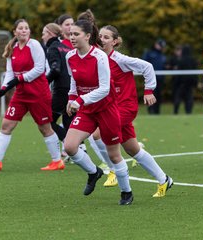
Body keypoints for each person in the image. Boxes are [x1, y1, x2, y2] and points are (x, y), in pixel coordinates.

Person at [94, 25, 173, 197]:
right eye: (100, 36)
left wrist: (149, 90)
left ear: (114, 42)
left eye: (106, 37)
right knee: (133, 149)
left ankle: (113, 170)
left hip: (125, 108)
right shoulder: (97, 59)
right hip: (110, 109)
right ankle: (164, 179)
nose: (101, 39)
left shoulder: (120, 59)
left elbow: (147, 67)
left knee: (97, 133)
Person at [0, 19, 63, 171]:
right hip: (21, 94)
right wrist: (3, 87)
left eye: (26, 28)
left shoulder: (35, 45)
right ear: (15, 32)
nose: (24, 30)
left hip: (38, 93)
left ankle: (57, 161)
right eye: (21, 28)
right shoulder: (12, 48)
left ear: (29, 32)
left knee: (44, 128)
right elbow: (11, 72)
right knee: (6, 125)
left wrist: (20, 79)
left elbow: (39, 69)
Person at [64, 19, 133, 205]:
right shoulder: (69, 56)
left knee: (113, 154)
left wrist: (80, 100)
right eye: (70, 34)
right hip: (87, 110)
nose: (72, 37)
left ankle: (126, 192)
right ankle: (94, 172)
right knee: (69, 147)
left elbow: (104, 89)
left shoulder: (99, 56)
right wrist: (71, 98)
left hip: (106, 110)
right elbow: (73, 81)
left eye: (76, 34)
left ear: (87, 36)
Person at [40, 22, 75, 168]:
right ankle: (75, 151)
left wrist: (43, 83)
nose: (42, 36)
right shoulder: (65, 47)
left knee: (47, 121)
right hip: (72, 88)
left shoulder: (53, 48)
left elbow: (55, 69)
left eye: (44, 33)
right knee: (68, 122)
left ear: (51, 34)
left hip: (61, 90)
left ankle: (69, 148)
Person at [168, 44, 198, 114]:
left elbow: (178, 72)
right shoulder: (193, 60)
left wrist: (175, 82)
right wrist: (195, 82)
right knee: (189, 98)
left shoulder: (180, 60)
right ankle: (189, 112)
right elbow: (195, 72)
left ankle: (175, 112)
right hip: (189, 83)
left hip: (180, 83)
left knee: (178, 98)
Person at [142, 38, 167, 114]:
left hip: (160, 79)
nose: (161, 47)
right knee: (150, 95)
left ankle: (157, 112)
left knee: (158, 96)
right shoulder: (149, 53)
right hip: (150, 79)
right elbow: (144, 64)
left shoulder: (162, 56)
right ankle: (151, 111)